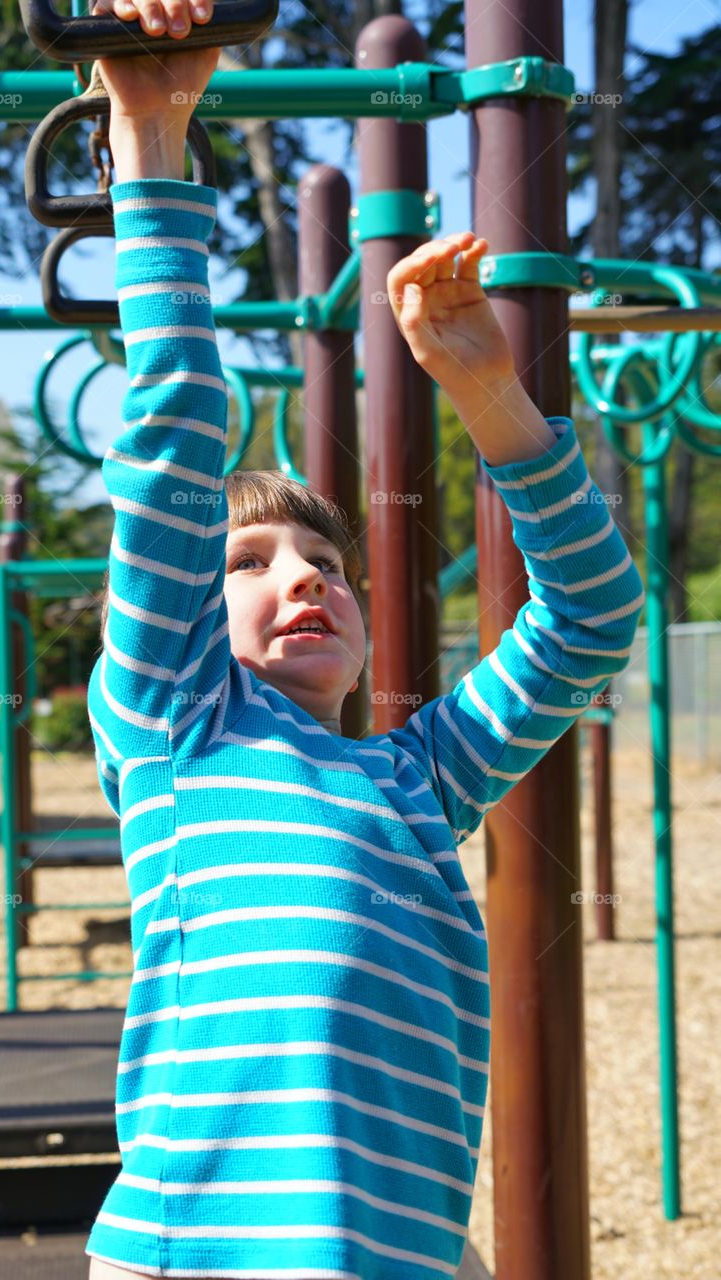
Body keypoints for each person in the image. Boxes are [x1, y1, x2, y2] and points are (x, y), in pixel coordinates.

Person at [85, 2, 645, 1276]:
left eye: (327, 565)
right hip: (201, 1254)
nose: (302, 577)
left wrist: (488, 394)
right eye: (248, 562)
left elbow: (589, 620)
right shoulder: (176, 726)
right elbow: (174, 430)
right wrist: (152, 131)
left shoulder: (414, 778)